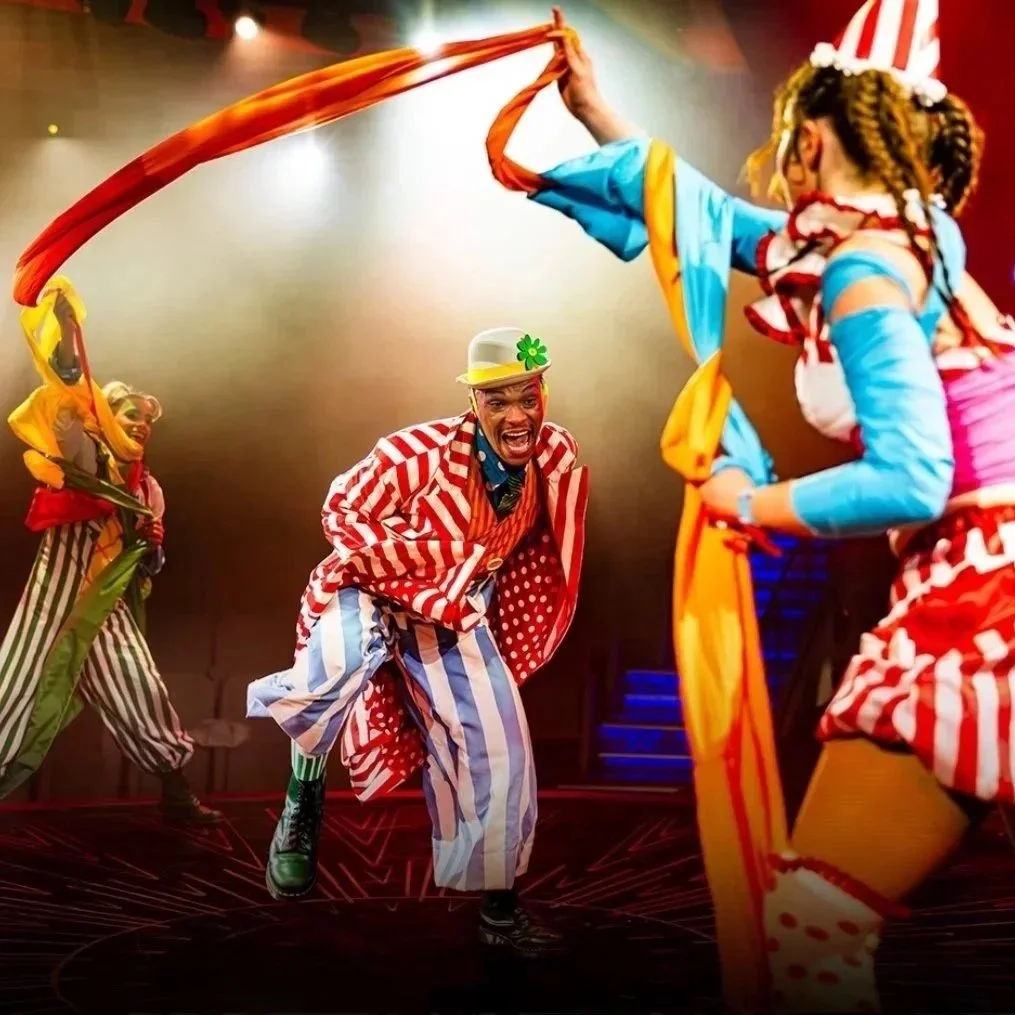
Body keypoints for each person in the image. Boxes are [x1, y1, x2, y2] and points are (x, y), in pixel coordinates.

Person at [538, 0, 1013, 1008]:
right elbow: (710, 220)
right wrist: (598, 115)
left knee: (812, 919)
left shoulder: (866, 271)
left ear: (816, 134)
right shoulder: (901, 242)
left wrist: (752, 502)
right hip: (984, 569)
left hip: (989, 583)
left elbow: (912, 477)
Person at [247, 326, 588, 956]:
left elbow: (549, 535)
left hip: (451, 608)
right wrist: (411, 559)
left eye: (527, 397)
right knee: (329, 673)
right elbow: (340, 509)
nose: (516, 417)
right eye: (498, 401)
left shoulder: (555, 454)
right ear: (474, 403)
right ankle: (303, 798)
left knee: (502, 743)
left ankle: (499, 909)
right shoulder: (417, 453)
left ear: (544, 393)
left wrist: (466, 584)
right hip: (371, 586)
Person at [0, 279, 221, 826]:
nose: (140, 426)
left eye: (145, 422)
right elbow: (66, 402)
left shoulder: (148, 491)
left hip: (107, 606)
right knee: (16, 688)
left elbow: (149, 567)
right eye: (129, 417)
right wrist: (66, 333)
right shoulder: (85, 457)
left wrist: (153, 549)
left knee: (139, 687)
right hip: (56, 601)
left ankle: (176, 793)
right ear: (107, 421)